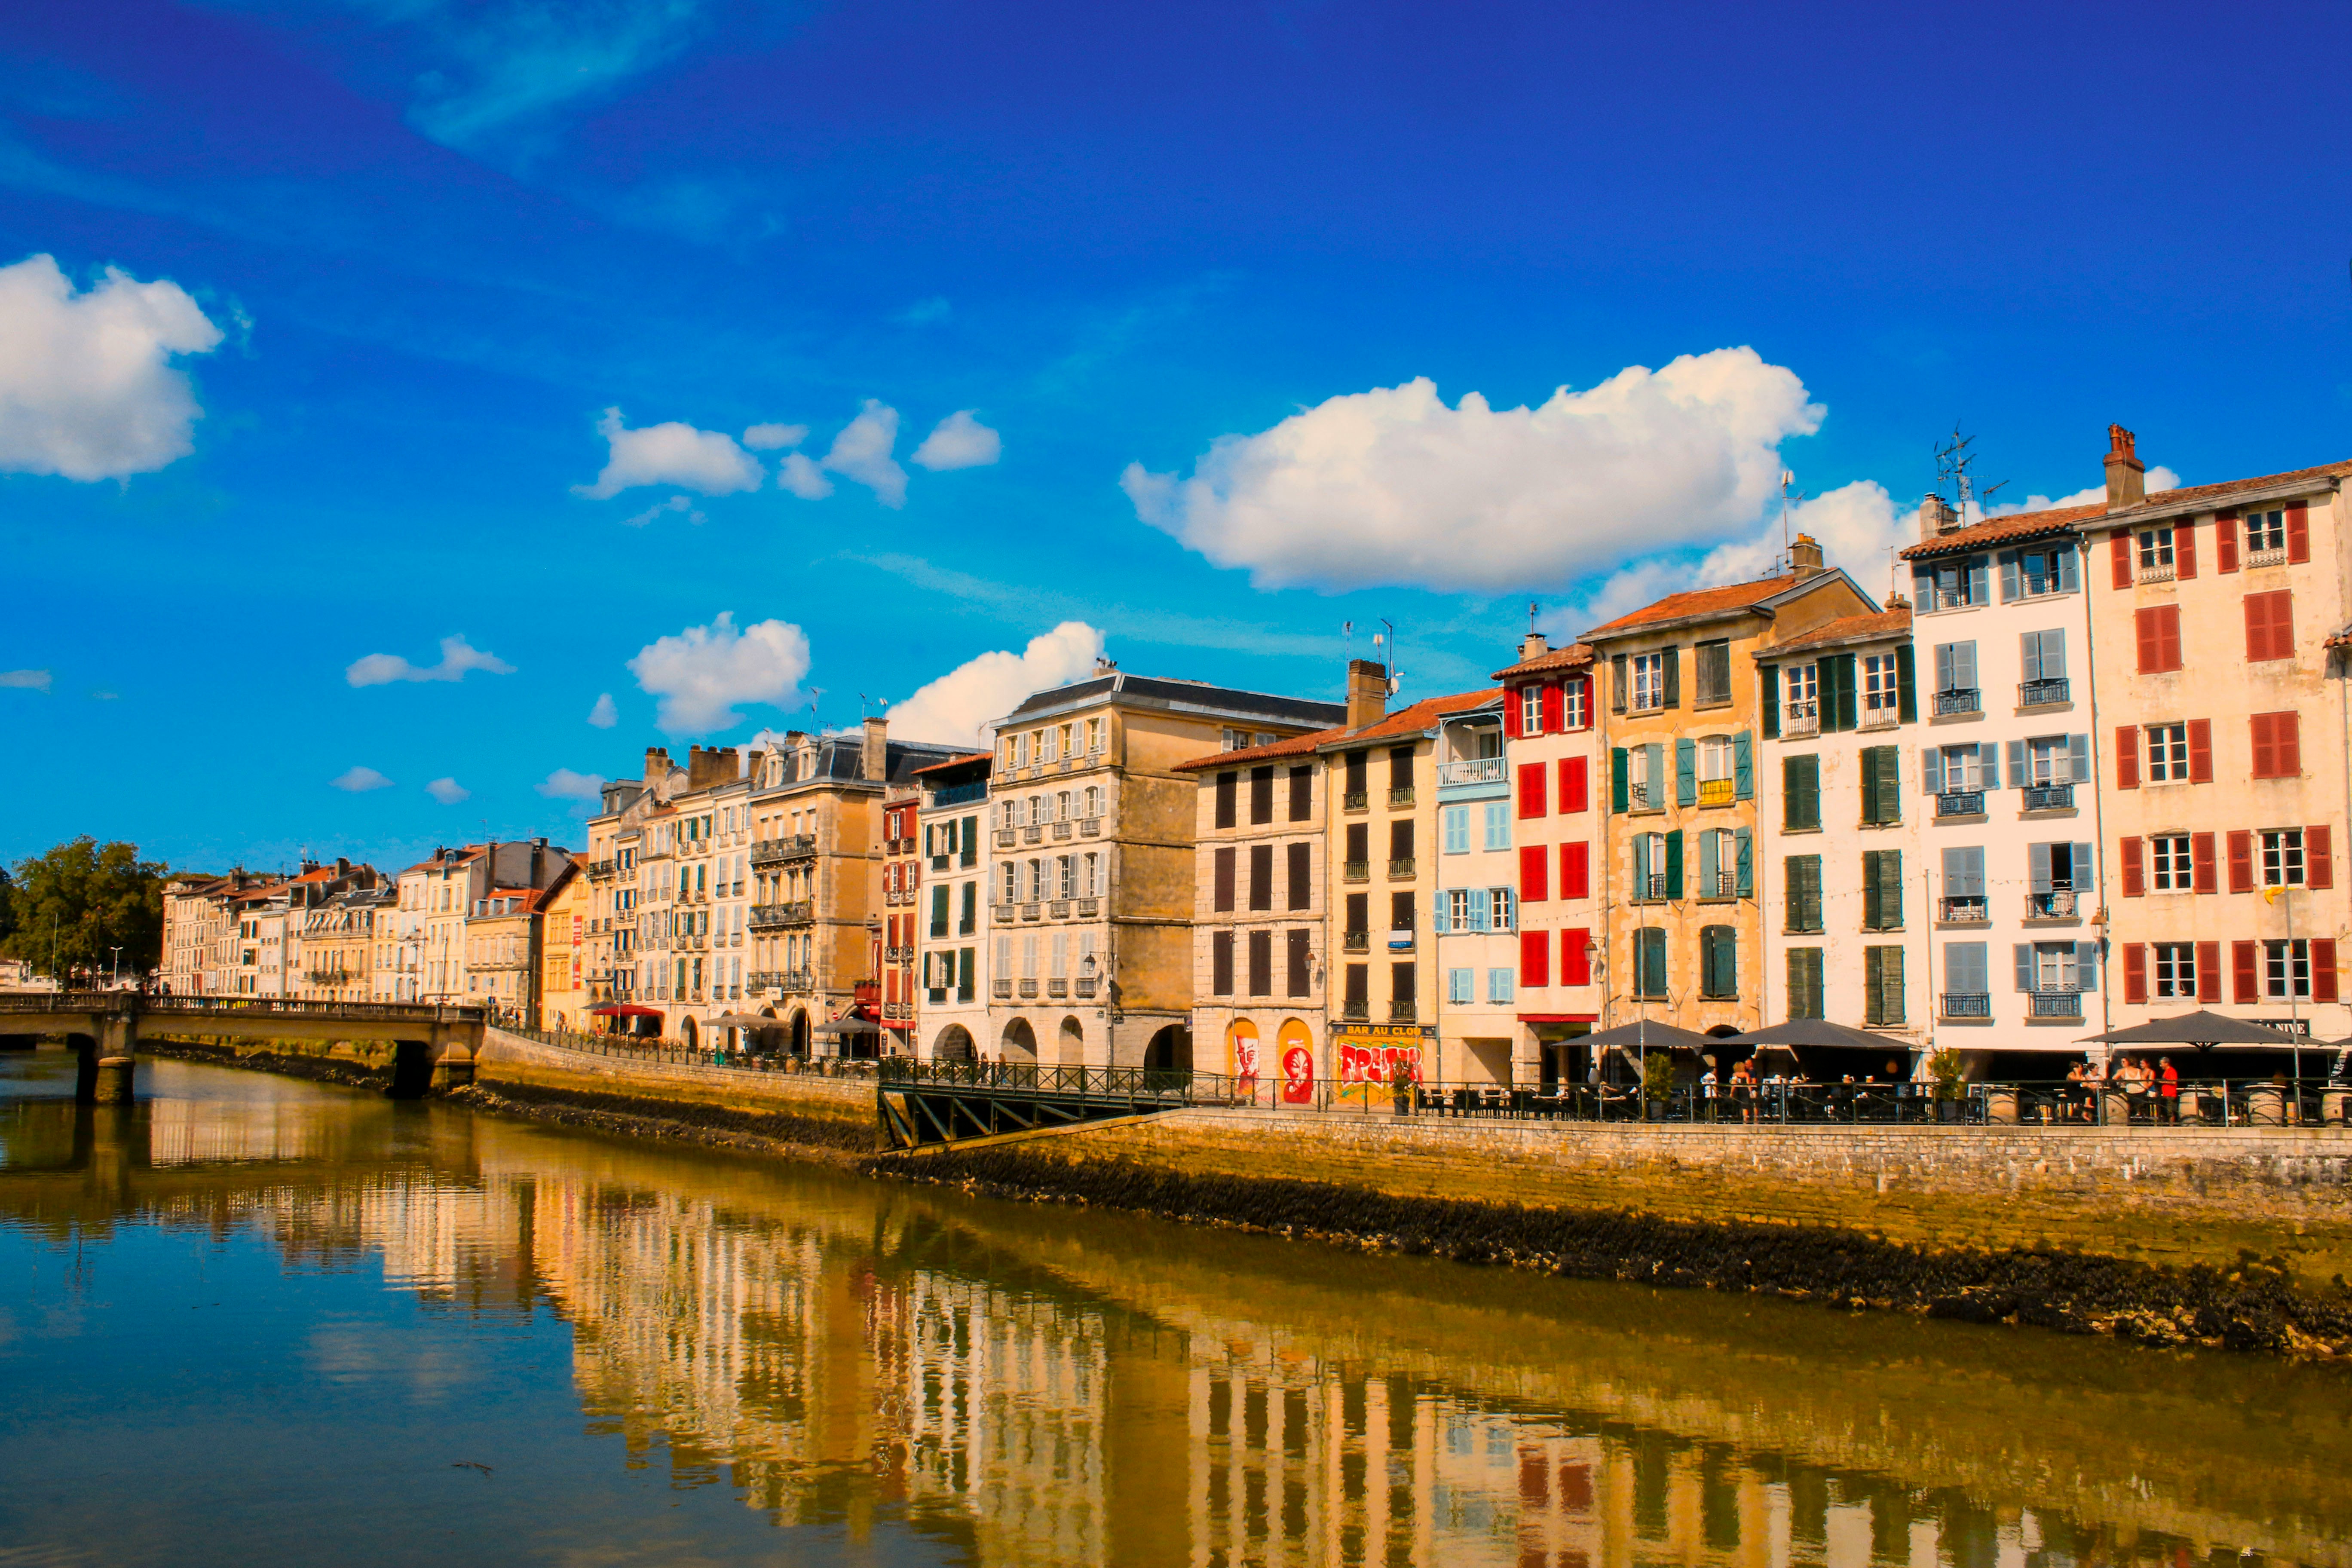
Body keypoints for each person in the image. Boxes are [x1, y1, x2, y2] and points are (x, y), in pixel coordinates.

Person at [2159, 1055, 2180, 1125]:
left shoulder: (2171, 1071)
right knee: (2166, 1111)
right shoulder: (2166, 1071)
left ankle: (2172, 1126)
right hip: (2166, 1094)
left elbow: (2174, 1082)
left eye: (2161, 1064)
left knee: (2170, 1112)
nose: (2160, 1066)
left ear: (2166, 1063)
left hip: (2170, 1094)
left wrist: (2163, 1082)